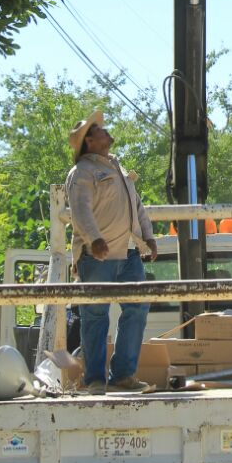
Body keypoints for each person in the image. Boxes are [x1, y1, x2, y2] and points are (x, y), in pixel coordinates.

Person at [65, 110, 158, 393]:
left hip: (128, 252)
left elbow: (136, 205)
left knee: (137, 308)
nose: (105, 131)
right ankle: (95, 378)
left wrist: (148, 237)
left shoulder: (116, 167)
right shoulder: (81, 172)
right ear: (89, 141)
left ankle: (122, 375)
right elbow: (80, 210)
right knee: (95, 315)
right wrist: (94, 239)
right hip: (97, 256)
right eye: (98, 130)